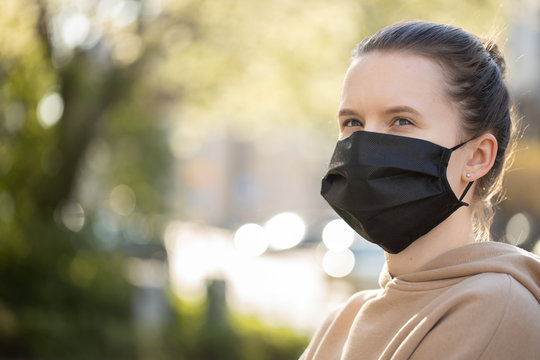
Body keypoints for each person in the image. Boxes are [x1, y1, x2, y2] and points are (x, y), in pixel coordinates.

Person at [301, 21, 540, 360]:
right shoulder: (345, 318)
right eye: (352, 122)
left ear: (476, 157)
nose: (365, 144)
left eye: (401, 120)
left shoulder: (496, 307)